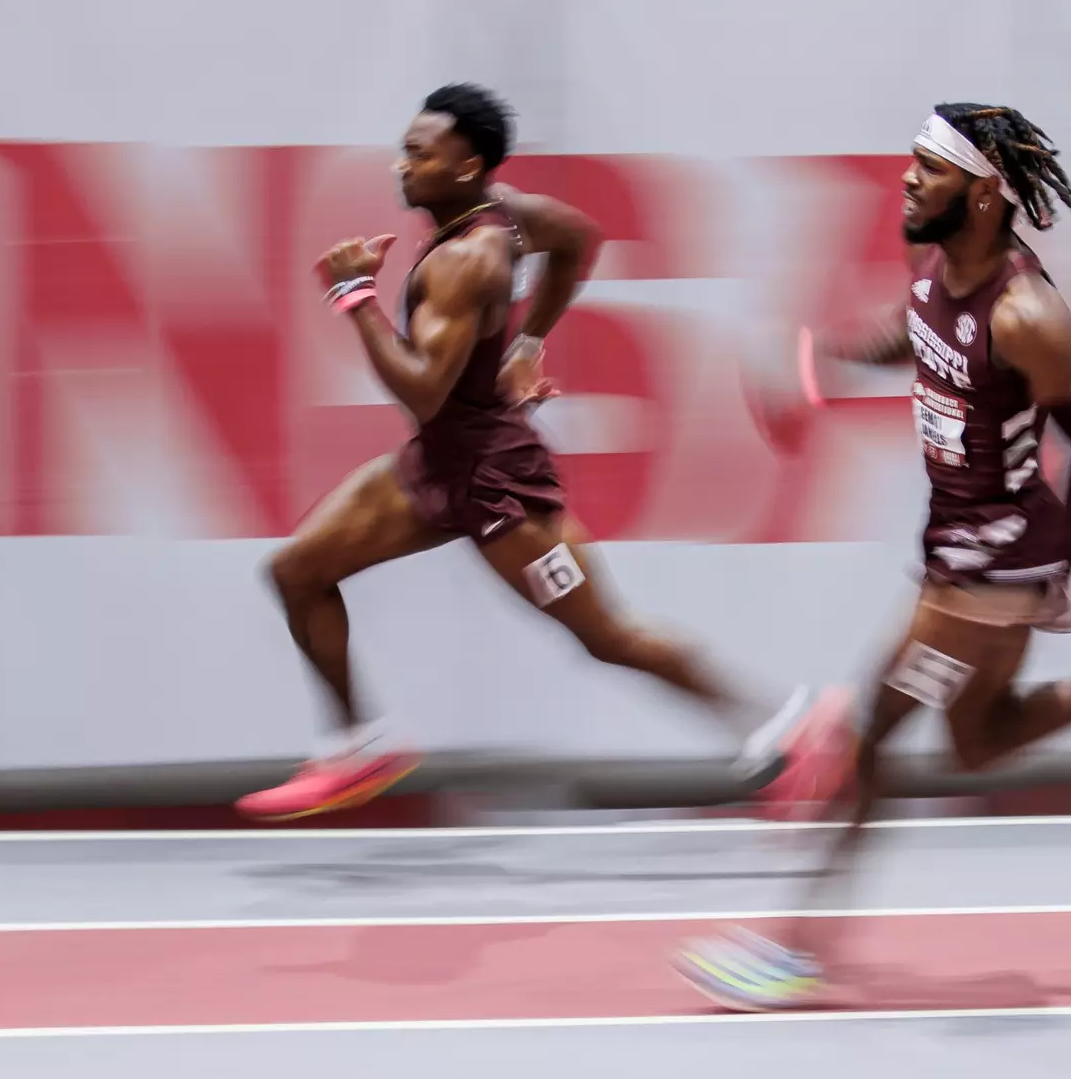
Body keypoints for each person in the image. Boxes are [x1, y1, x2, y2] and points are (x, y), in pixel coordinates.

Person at [672, 102, 1071, 1010]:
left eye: (929, 168)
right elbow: (919, 333)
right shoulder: (939, 270)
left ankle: (795, 948)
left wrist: (1057, 570)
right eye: (912, 162)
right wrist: (837, 361)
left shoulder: (1029, 316)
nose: (907, 178)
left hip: (996, 568)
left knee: (868, 738)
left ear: (980, 194)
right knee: (980, 743)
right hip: (956, 550)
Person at [237, 83, 851, 822]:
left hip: (496, 484)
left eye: (418, 153)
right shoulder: (509, 213)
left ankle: (792, 726)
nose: (400, 165)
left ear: (466, 168)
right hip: (435, 464)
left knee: (608, 636)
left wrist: (357, 297)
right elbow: (581, 239)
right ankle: (356, 746)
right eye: (404, 148)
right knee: (297, 571)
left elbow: (424, 390)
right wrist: (528, 343)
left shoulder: (469, 259)